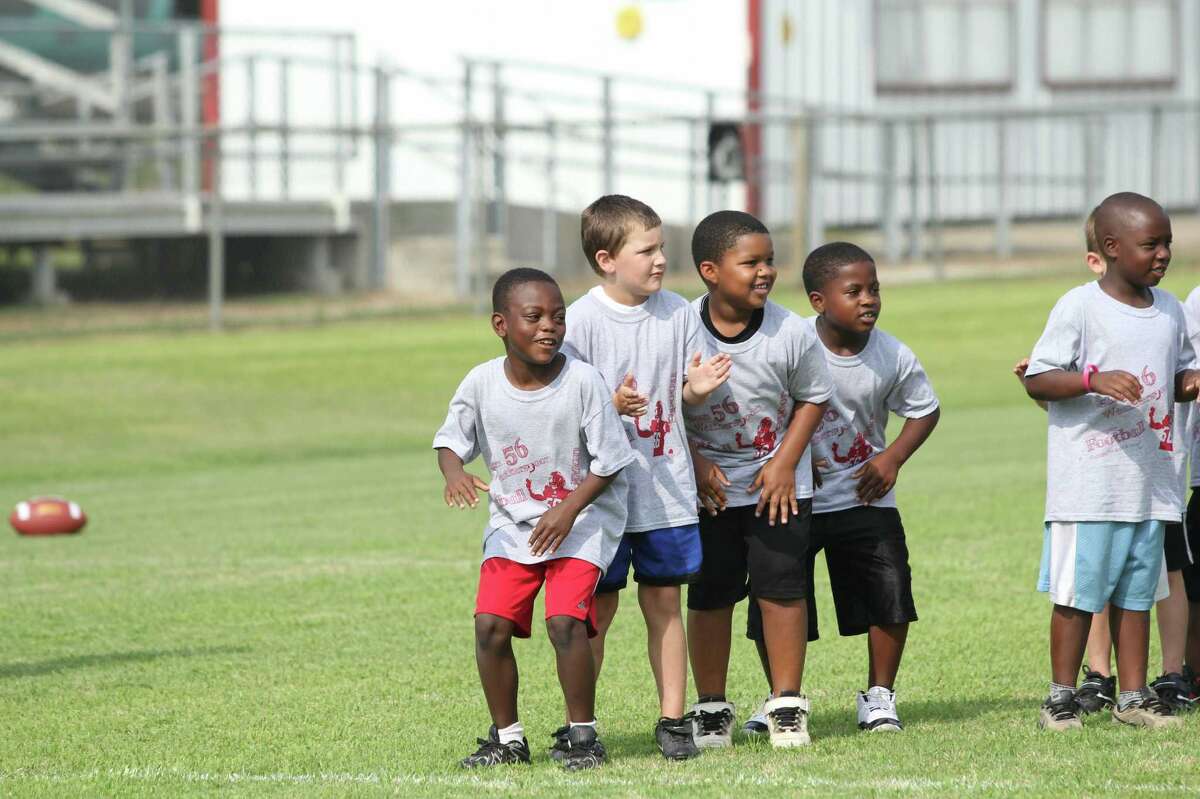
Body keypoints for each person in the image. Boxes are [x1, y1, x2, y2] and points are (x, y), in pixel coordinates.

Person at [433, 268, 635, 769]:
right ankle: (507, 739)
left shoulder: (583, 381)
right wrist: (454, 472)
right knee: (489, 627)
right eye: (535, 317)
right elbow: (450, 441)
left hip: (583, 519)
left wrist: (567, 510)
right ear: (501, 324)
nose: (550, 326)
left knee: (566, 623)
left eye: (558, 316)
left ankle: (583, 738)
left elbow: (609, 462)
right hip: (513, 525)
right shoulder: (481, 382)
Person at [740, 241, 940, 734]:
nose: (869, 299)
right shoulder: (790, 343)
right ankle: (780, 698)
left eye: (874, 288)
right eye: (854, 291)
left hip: (864, 498)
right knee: (776, 597)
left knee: (890, 595)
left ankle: (879, 696)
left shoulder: (891, 354)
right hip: (791, 500)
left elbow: (924, 408)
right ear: (818, 301)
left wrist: (892, 458)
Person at [561, 195, 732, 760]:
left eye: (662, 247)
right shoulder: (580, 321)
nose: (660, 259)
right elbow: (562, 406)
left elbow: (681, 393)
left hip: (665, 489)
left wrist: (695, 390)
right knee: (598, 610)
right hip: (601, 498)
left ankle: (673, 721)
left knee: (664, 602)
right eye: (647, 250)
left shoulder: (679, 313)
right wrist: (607, 401)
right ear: (607, 259)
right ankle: (580, 723)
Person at [1023, 192, 1199, 730]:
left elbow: (1179, 379)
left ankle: (1134, 697)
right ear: (1111, 248)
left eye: (1167, 241)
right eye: (1151, 244)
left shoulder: (1169, 310)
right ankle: (1060, 697)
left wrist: (1191, 384)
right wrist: (1091, 379)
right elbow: (1039, 376)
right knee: (1079, 595)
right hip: (1091, 486)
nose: (1163, 253)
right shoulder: (1080, 305)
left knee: (1137, 595)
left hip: (1152, 485)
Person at [681, 211, 833, 748]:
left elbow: (815, 397)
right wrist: (696, 465)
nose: (765, 271)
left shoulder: (790, 330)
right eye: (751, 262)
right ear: (710, 270)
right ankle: (711, 707)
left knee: (783, 591)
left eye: (770, 260)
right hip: (709, 492)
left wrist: (787, 462)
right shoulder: (679, 330)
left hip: (778, 486)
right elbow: (662, 404)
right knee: (710, 594)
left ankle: (787, 704)